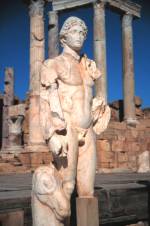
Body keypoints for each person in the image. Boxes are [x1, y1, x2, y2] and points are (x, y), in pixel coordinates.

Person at [40, 16, 110, 201]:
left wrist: (98, 109)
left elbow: (86, 97)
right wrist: (50, 135)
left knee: (88, 192)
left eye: (82, 33)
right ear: (63, 37)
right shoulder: (53, 64)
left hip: (88, 132)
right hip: (67, 131)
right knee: (67, 188)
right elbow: (45, 101)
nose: (79, 36)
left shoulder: (88, 66)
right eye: (74, 32)